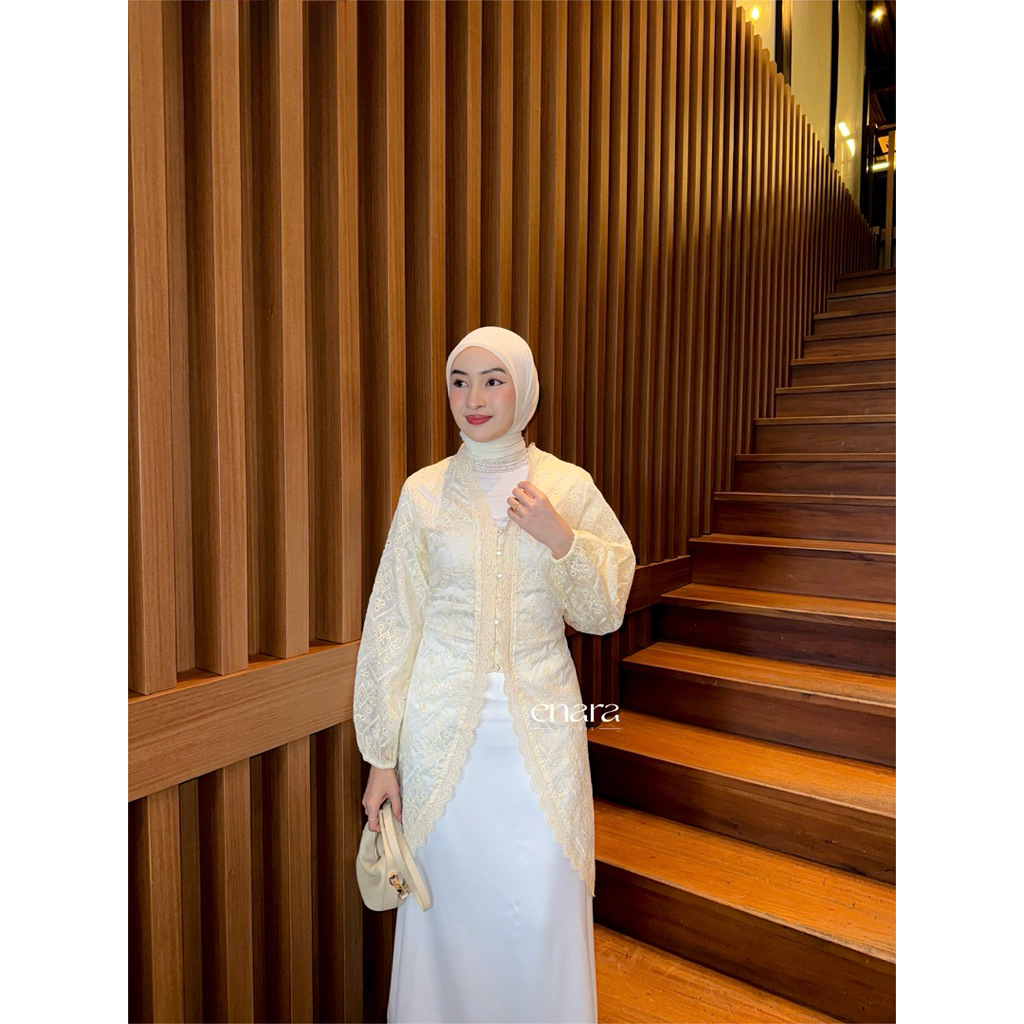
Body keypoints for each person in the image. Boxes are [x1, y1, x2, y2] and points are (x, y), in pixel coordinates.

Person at [353, 325, 636, 1024]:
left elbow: (605, 610)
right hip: (439, 734)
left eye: (492, 380)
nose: (473, 399)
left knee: (540, 898)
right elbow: (394, 624)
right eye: (459, 381)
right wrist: (381, 758)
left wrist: (561, 538)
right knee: (449, 903)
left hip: (542, 729)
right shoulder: (423, 492)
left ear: (524, 390)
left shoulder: (567, 486)